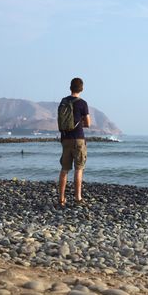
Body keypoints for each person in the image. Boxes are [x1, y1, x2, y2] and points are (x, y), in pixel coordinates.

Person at [58, 77, 91, 206]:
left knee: (64, 169)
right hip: (78, 139)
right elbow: (88, 123)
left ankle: (61, 198)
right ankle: (77, 198)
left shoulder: (63, 102)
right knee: (79, 168)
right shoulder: (82, 103)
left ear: (70, 87)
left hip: (65, 138)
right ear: (81, 89)